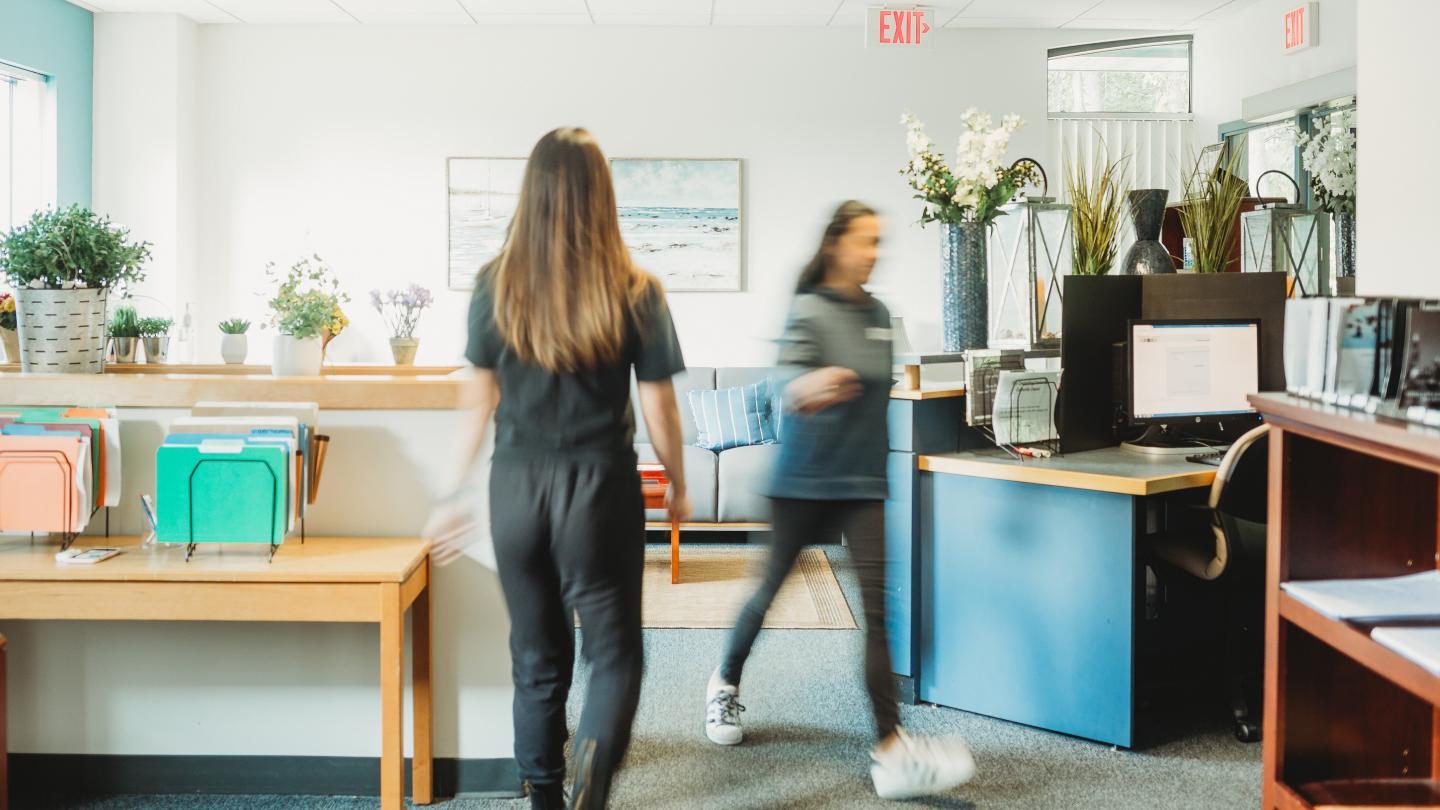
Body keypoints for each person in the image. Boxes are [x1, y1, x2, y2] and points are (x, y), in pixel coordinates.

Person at [426, 127, 690, 810]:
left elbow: (477, 401)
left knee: (536, 660)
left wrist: (451, 492)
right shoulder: (637, 290)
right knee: (615, 654)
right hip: (598, 489)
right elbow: (658, 405)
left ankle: (545, 796)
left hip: (514, 488)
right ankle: (589, 793)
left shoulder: (495, 285)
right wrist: (680, 484)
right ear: (602, 196)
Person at [703, 201, 976, 801]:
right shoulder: (809, 309)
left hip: (861, 484)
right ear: (835, 244)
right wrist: (810, 384)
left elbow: (889, 383)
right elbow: (784, 380)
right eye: (863, 240)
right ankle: (723, 682)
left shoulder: (880, 314)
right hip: (800, 482)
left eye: (878, 241)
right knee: (767, 593)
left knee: (876, 614)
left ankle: (890, 748)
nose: (873, 252)